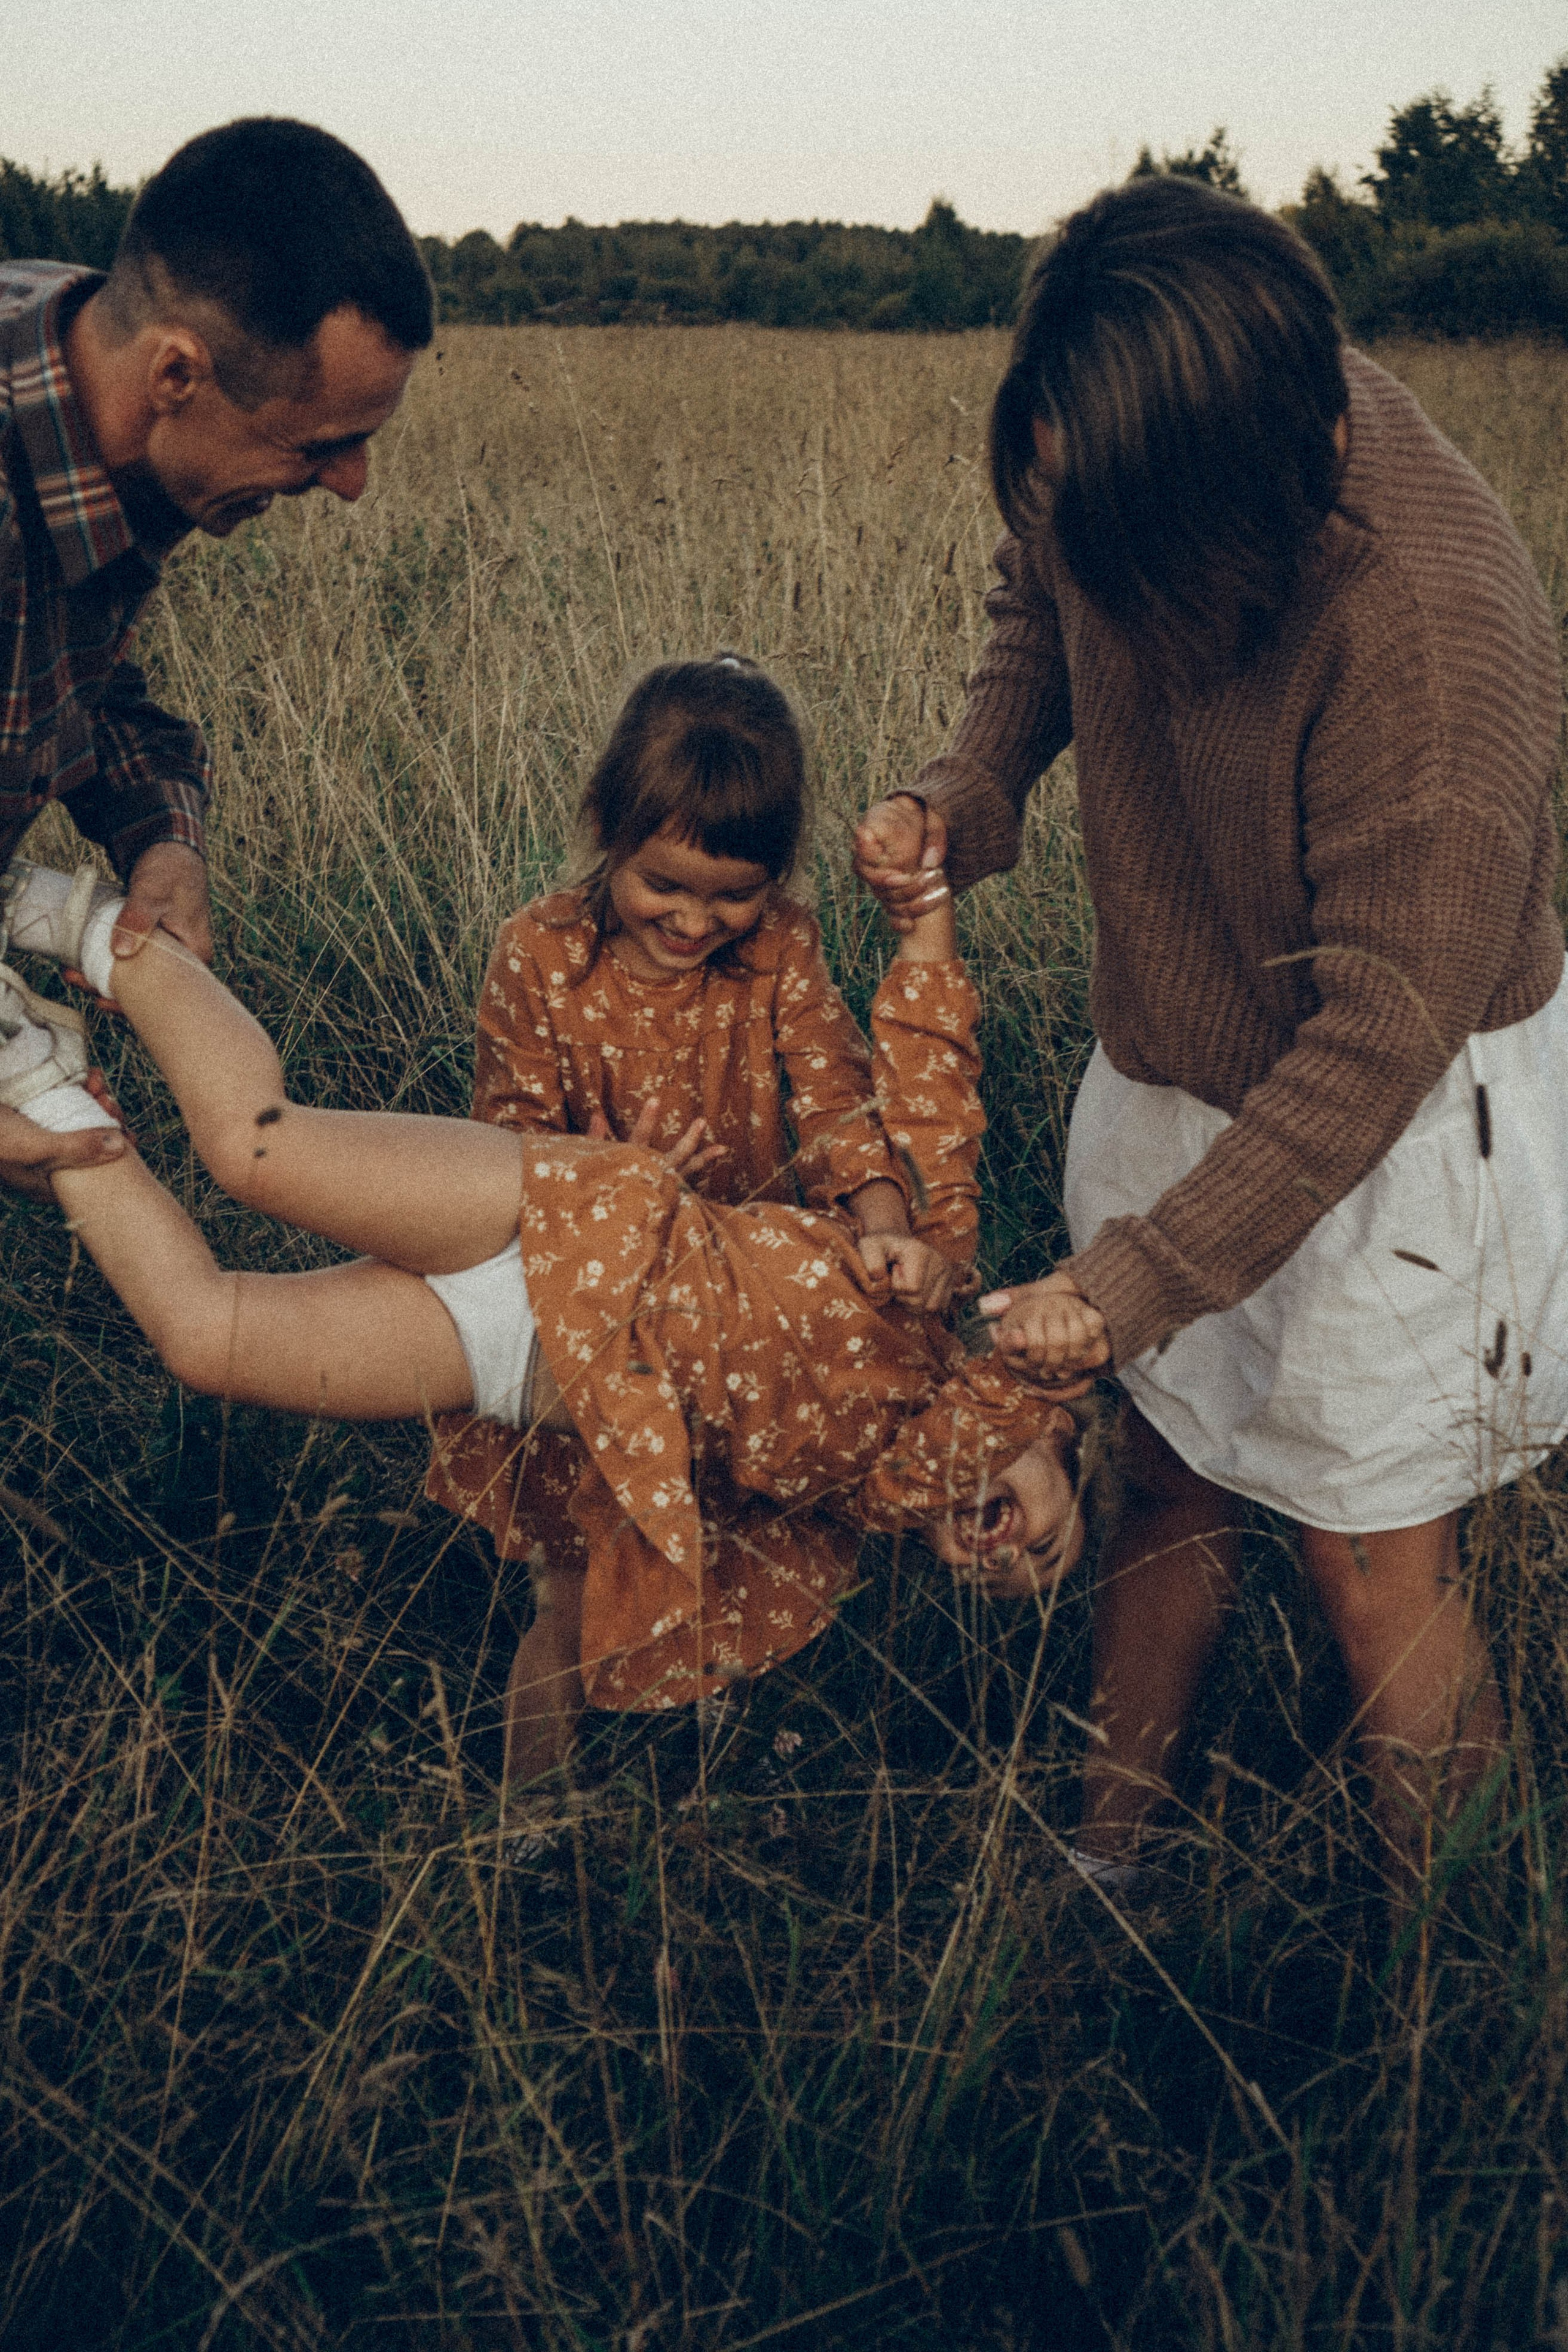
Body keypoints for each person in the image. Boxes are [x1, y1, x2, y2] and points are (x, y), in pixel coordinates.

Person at [856, 173, 1566, 1889]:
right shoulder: (1130, 437)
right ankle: (1109, 1859)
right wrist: (973, 787)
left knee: (1368, 1563)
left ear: (1258, 499)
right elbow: (1047, 590)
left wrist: (1127, 1283)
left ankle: (1451, 2006)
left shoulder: (1433, 633)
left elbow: (1375, 1042)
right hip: (1175, 1061)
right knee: (1164, 1465)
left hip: (1390, 1135)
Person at [0, 850, 1084, 1789]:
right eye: (1048, 1548)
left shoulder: (829, 1532)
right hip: (587, 1218)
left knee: (204, 1339)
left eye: (1006, 1582)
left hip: (516, 1363)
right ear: (1074, 1433)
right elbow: (932, 1080)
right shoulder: (938, 1285)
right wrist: (929, 910)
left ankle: (35, 1081)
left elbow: (635, 1575)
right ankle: (66, 915)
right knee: (254, 1146)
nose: (1003, 1557)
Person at [427, 652, 960, 1705]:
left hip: (734, 1322)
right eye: (661, 884)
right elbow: (504, 1145)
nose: (691, 920)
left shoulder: (780, 952)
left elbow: (836, 1099)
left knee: (745, 1533)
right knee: (571, 1588)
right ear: (607, 830)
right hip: (588, 1317)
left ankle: (711, 1779)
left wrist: (886, 1223)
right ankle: (523, 1827)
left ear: (778, 879)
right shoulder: (538, 955)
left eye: (733, 896)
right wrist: (621, 1183)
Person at [0, 115, 432, 1199]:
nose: (351, 486)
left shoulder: (94, 383)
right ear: (178, 374)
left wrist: (165, 841)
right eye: (318, 442)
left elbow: (76, 681)